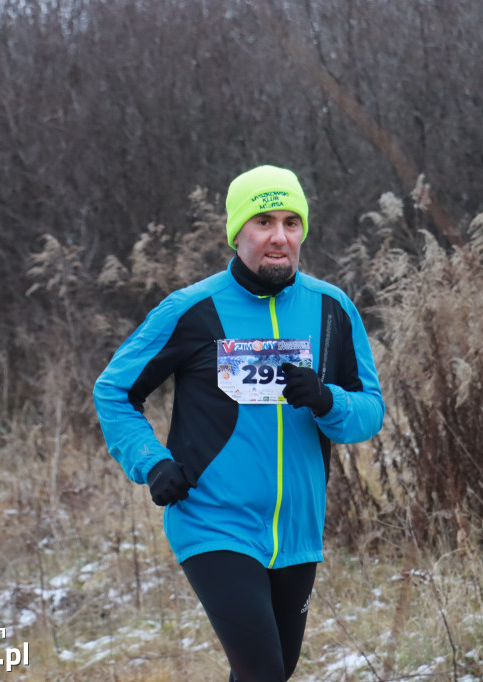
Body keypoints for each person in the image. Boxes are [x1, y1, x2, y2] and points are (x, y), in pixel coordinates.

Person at [92, 164, 384, 681]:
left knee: (275, 671)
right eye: (264, 222)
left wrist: (326, 400)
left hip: (296, 529)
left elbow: (369, 413)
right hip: (214, 521)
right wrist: (151, 461)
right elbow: (114, 391)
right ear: (237, 232)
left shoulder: (331, 309)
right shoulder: (191, 309)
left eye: (292, 223)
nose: (279, 237)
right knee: (262, 672)